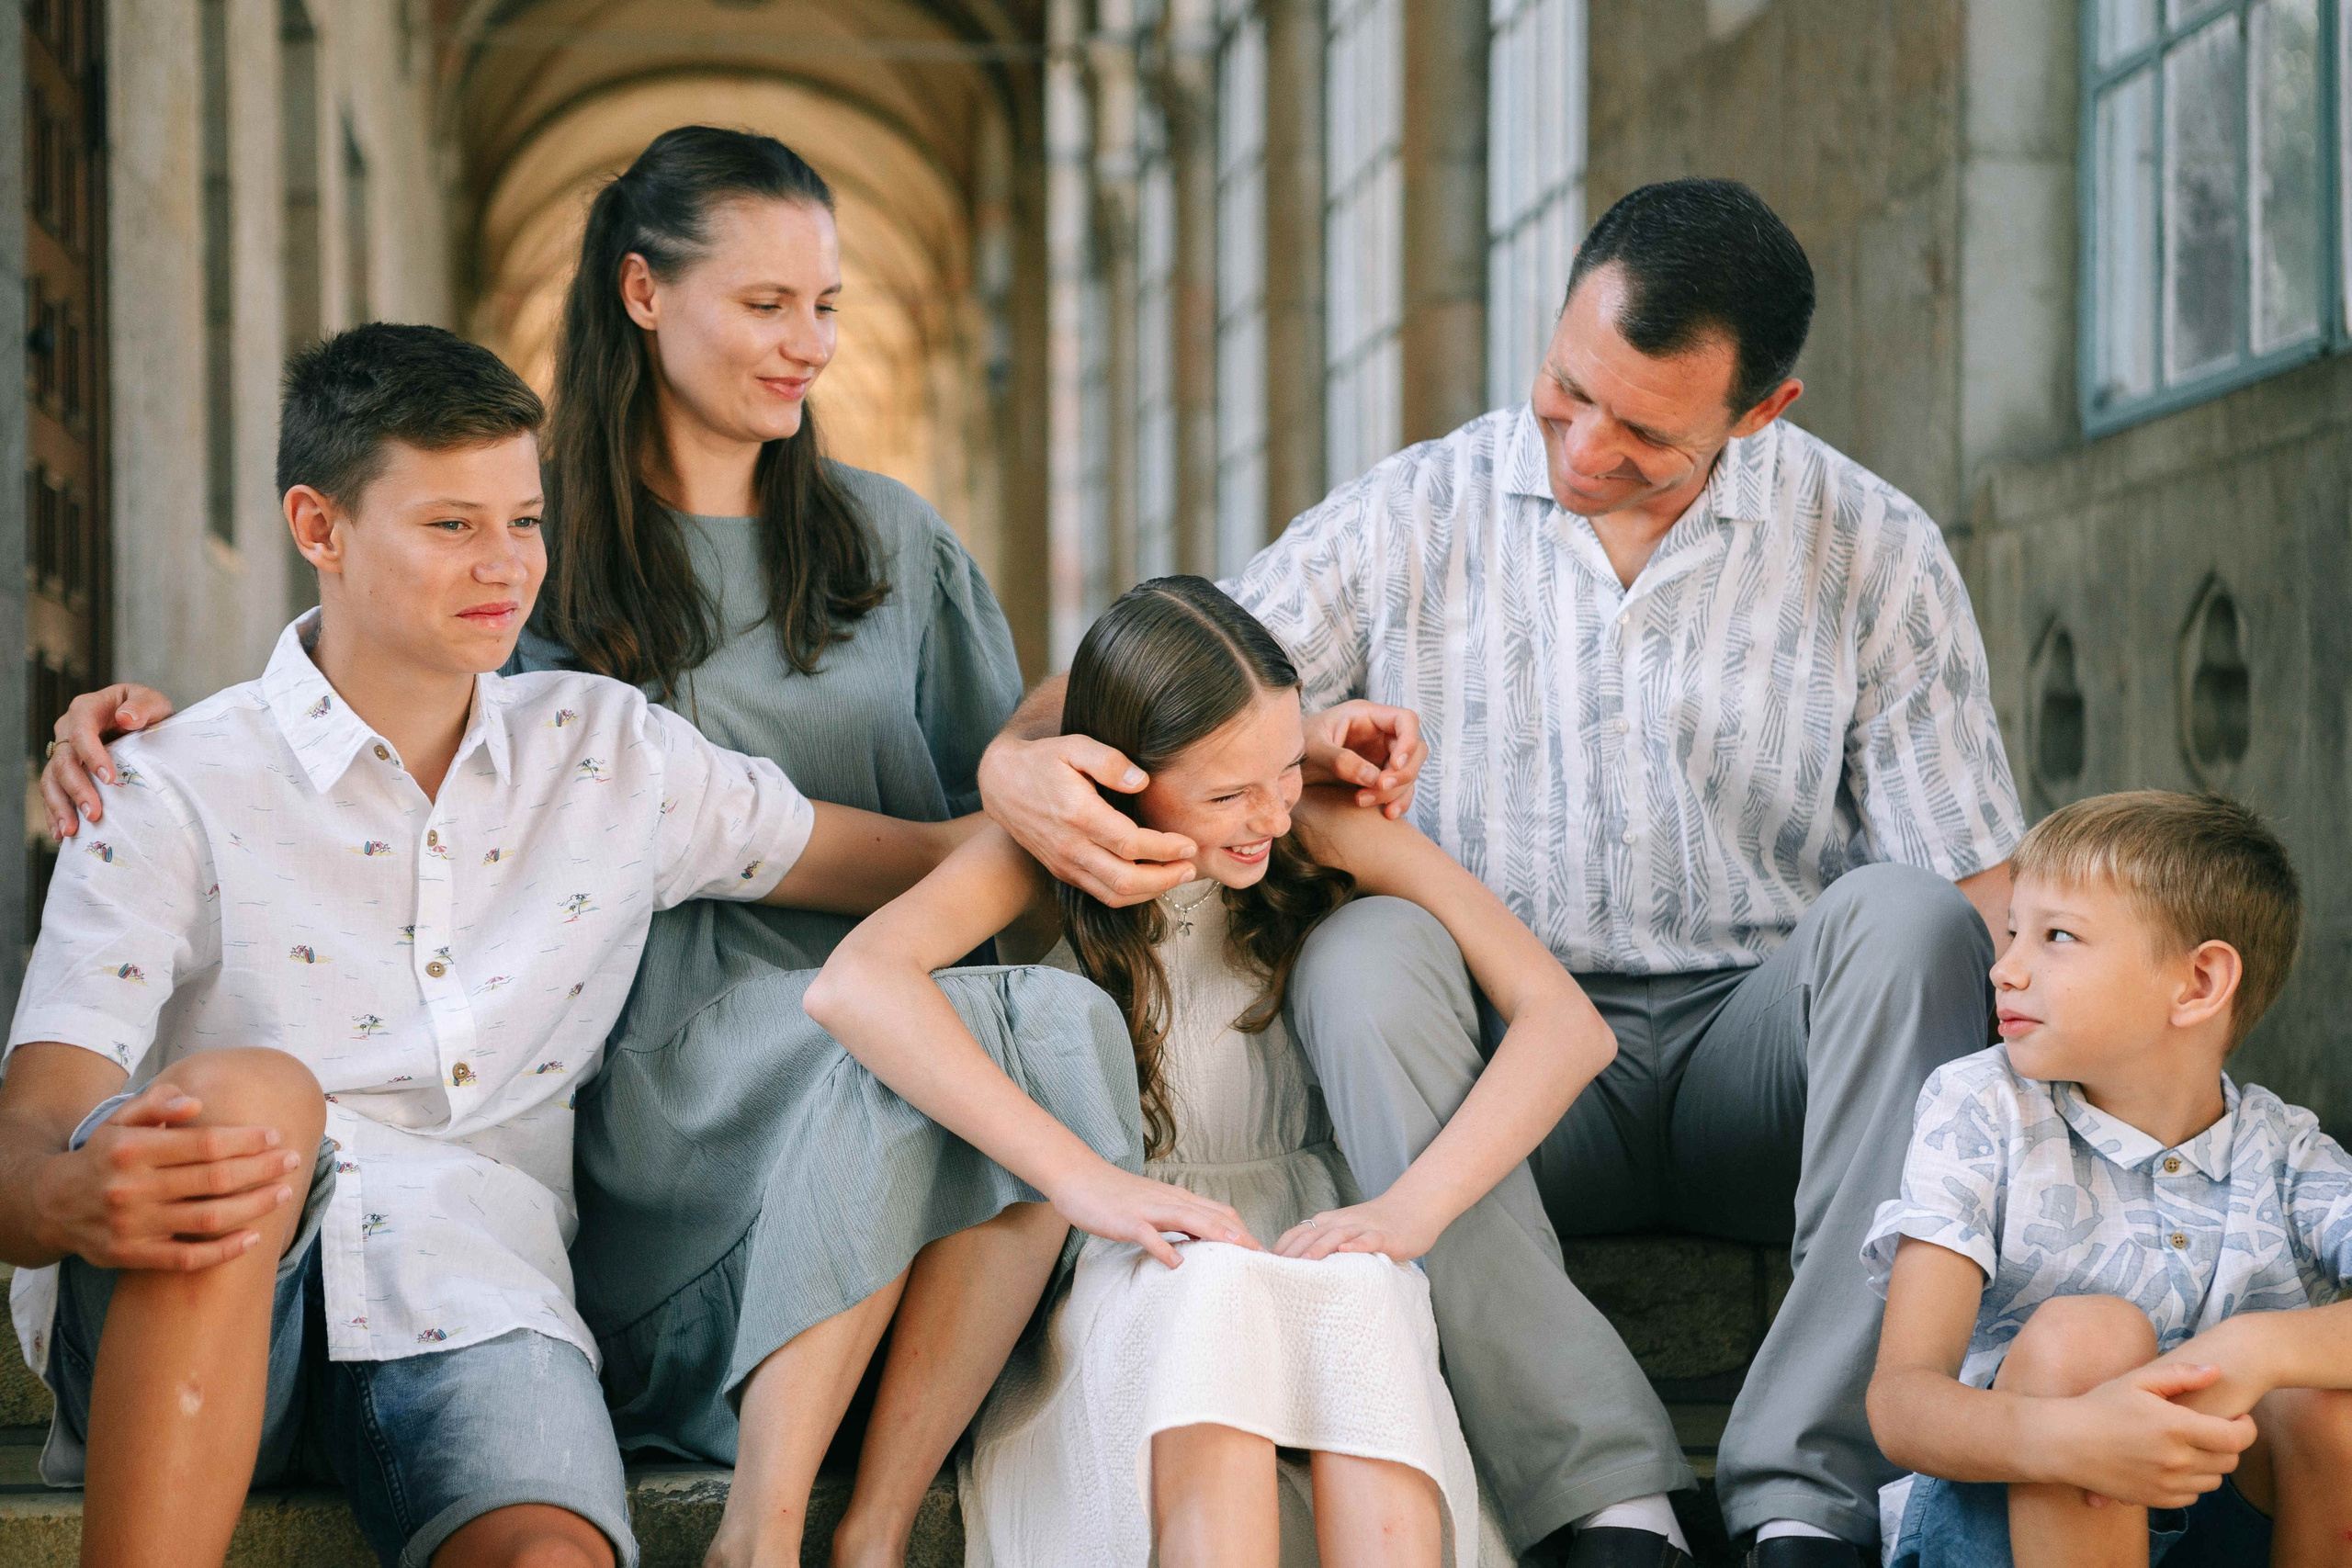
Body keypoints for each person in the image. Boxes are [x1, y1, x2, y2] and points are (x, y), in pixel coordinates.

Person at [38, 124, 1424, 1567]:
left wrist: (1244, 760)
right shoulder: (535, 557)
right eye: (766, 304)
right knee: (891, 1040)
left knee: (993, 1025)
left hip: (855, 1047)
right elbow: (362, 719)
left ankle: (865, 1522)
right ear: (644, 295)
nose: (807, 342)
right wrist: (149, 732)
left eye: (826, 305)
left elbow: (994, 805)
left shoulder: (876, 556)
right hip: (655, 1082)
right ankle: (768, 1530)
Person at [979, 177, 2024, 1567]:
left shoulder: (1874, 549)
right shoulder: (1410, 512)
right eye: (1564, 390)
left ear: (1758, 415)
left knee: (1911, 920)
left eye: (1645, 432)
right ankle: (1607, 1497)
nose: (1585, 446)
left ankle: (1804, 1498)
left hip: (1759, 1067)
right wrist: (1012, 760)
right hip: (1496, 1074)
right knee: (1361, 951)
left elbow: (1984, 890)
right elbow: (1169, 670)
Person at [0, 323, 980, 1568]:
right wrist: (66, 1193)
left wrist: (1083, 776)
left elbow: (919, 856)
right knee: (252, 1093)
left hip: (479, 1295)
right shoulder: (165, 782)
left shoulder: (612, 753)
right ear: (320, 526)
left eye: (524, 521)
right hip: (199, 1297)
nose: (506, 567)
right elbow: (28, 1129)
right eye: (452, 524)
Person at [806, 575, 1613, 1567]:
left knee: (1361, 1294)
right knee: (1212, 1292)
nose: (1269, 818)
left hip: (1315, 1220)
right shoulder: (1047, 858)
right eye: (1228, 794)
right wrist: (1082, 1180)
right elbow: (856, 984)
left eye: (1282, 769)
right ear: (1122, 777)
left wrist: (1412, 1212)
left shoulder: (1314, 827)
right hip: (1130, 1245)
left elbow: (1565, 1024)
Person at [1866, 791, 2352, 1568]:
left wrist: (2256, 1347)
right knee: (2087, 1339)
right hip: (2004, 1521)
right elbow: (1899, 1404)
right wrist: (2077, 1439)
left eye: (2057, 936)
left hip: (2216, 1518)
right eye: (2013, 930)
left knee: (2328, 1408)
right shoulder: (1980, 1109)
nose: (2006, 968)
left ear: (2197, 984)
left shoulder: (2286, 1152)